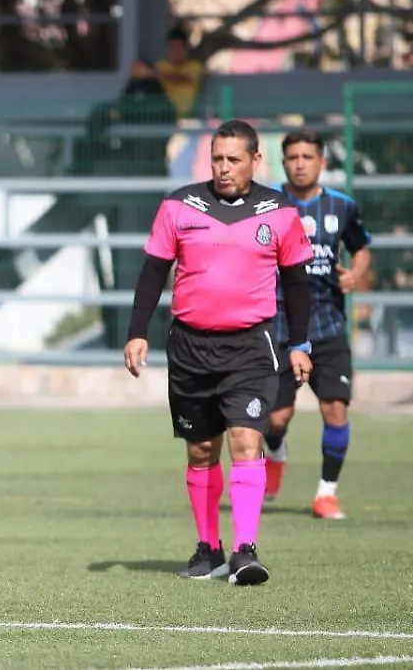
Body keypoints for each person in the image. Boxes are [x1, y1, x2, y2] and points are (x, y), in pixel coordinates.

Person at [124, 120, 314, 586]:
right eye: (217, 159)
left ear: (255, 160)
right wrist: (136, 333)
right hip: (190, 346)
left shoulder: (280, 210)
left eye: (233, 159)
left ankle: (245, 549)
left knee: (246, 440)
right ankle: (207, 547)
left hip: (251, 345)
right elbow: (153, 271)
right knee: (201, 449)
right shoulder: (178, 205)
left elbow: (296, 281)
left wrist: (301, 344)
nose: (224, 168)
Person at [264, 130, 373, 520]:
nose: (300, 163)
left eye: (307, 157)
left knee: (335, 410)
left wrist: (355, 274)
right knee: (276, 418)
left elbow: (361, 249)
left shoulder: (342, 207)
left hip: (328, 328)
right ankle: (276, 451)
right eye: (292, 157)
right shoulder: (269, 204)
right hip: (278, 328)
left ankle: (326, 494)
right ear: (284, 161)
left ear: (322, 162)